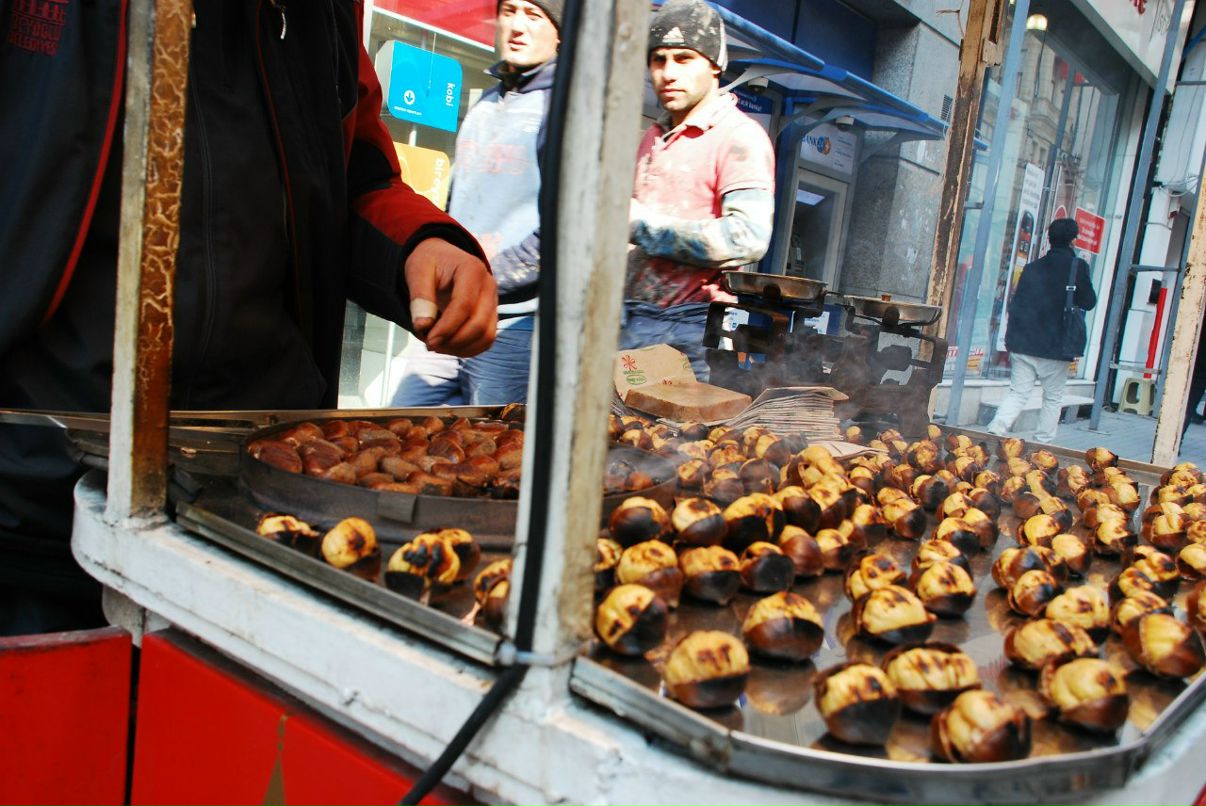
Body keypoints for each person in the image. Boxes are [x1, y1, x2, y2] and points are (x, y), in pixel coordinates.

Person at [0, 0, 496, 634]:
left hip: (259, 491)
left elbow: (355, 176)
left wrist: (422, 244)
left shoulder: (324, 13)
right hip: (33, 473)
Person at [393, 0, 561, 406]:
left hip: (517, 325)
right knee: (401, 421)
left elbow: (562, 230)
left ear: (560, 32)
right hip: (454, 308)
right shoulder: (486, 102)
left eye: (534, 15)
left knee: (493, 449)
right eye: (509, 11)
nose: (517, 26)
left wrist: (481, 276)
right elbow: (456, 201)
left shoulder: (563, 110)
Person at [620, 0, 775, 379]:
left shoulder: (739, 138)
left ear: (715, 64)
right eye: (659, 60)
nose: (668, 73)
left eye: (684, 58)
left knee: (666, 439)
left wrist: (641, 225)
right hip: (631, 319)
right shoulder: (654, 137)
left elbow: (748, 238)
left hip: (688, 326)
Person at [986, 218, 1097, 444]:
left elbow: (1016, 305)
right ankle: (1042, 443)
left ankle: (996, 428)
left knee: (1018, 392)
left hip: (1025, 343)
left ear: (1050, 239)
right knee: (1053, 398)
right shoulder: (1078, 268)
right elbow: (1088, 302)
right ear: (1073, 240)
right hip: (1057, 346)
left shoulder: (1032, 267)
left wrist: (1011, 340)